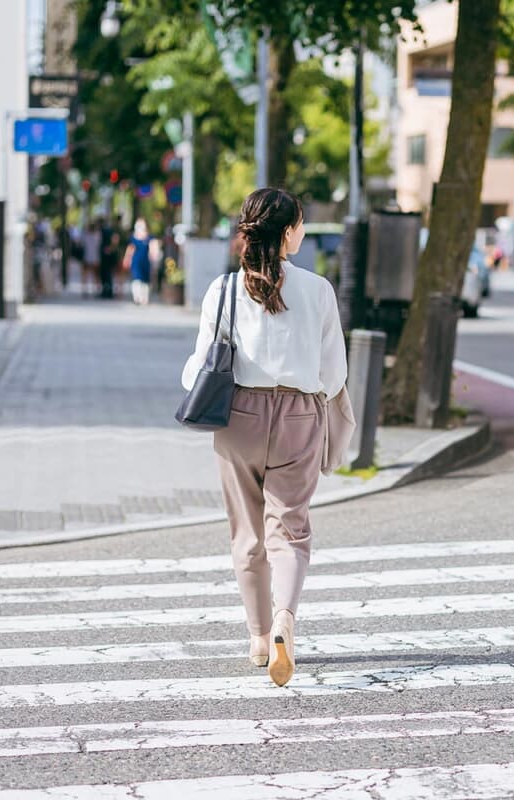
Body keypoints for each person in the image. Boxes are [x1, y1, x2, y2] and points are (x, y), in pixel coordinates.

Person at [180, 187, 348, 687]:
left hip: (238, 415)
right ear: (286, 233)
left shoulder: (224, 290)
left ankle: (257, 639)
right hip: (299, 414)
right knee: (290, 528)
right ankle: (284, 624)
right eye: (298, 224)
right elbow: (334, 372)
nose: (301, 231)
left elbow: (199, 365)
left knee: (247, 532)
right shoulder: (318, 290)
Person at [124, 218, 154, 305]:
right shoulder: (133, 238)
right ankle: (137, 297)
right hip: (136, 261)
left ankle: (145, 298)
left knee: (145, 280)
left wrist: (154, 258)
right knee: (136, 279)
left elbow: (153, 249)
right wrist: (127, 259)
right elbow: (130, 249)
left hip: (146, 261)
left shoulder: (149, 237)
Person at [82, 220, 102, 298]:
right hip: (95, 257)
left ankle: (85, 290)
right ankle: (96, 290)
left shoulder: (86, 235)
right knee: (95, 276)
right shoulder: (97, 235)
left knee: (86, 275)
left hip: (87, 257)